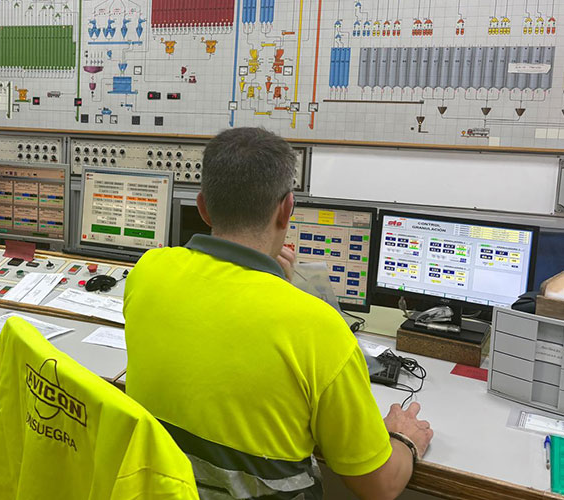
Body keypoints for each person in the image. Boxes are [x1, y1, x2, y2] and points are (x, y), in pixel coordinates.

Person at [123, 127, 434, 500]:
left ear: (203, 207)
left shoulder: (149, 271)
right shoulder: (318, 327)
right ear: (287, 209)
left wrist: (273, 284)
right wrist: (404, 439)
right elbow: (378, 487)